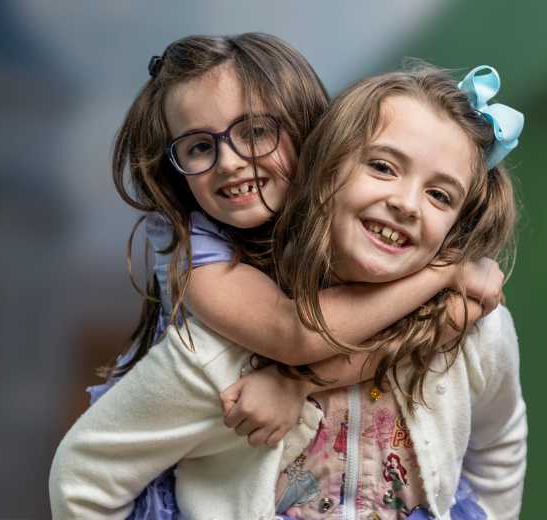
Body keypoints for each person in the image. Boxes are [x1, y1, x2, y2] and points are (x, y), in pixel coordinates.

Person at [49, 62, 524, 520]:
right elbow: (82, 478)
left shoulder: (477, 332)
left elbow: (501, 442)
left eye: (440, 195)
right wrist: (444, 272)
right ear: (322, 171)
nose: (405, 203)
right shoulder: (222, 353)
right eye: (382, 166)